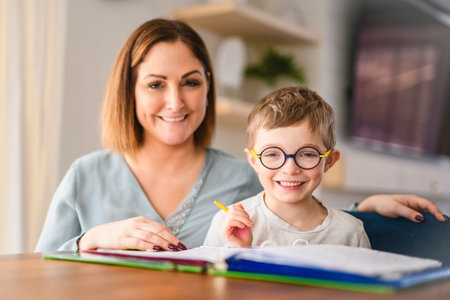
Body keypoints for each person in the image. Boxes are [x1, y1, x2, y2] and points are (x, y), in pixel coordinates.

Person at [34, 18, 446, 253]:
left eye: (191, 83)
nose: (176, 102)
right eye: (156, 84)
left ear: (209, 87)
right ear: (130, 90)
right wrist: (91, 238)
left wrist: (365, 208)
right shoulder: (85, 175)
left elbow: (298, 219)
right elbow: (38, 272)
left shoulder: (241, 175)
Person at [204, 86, 371, 248]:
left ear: (329, 161)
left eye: (307, 154)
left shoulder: (350, 233)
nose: (290, 169)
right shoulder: (227, 224)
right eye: (272, 154)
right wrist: (238, 250)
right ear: (254, 161)